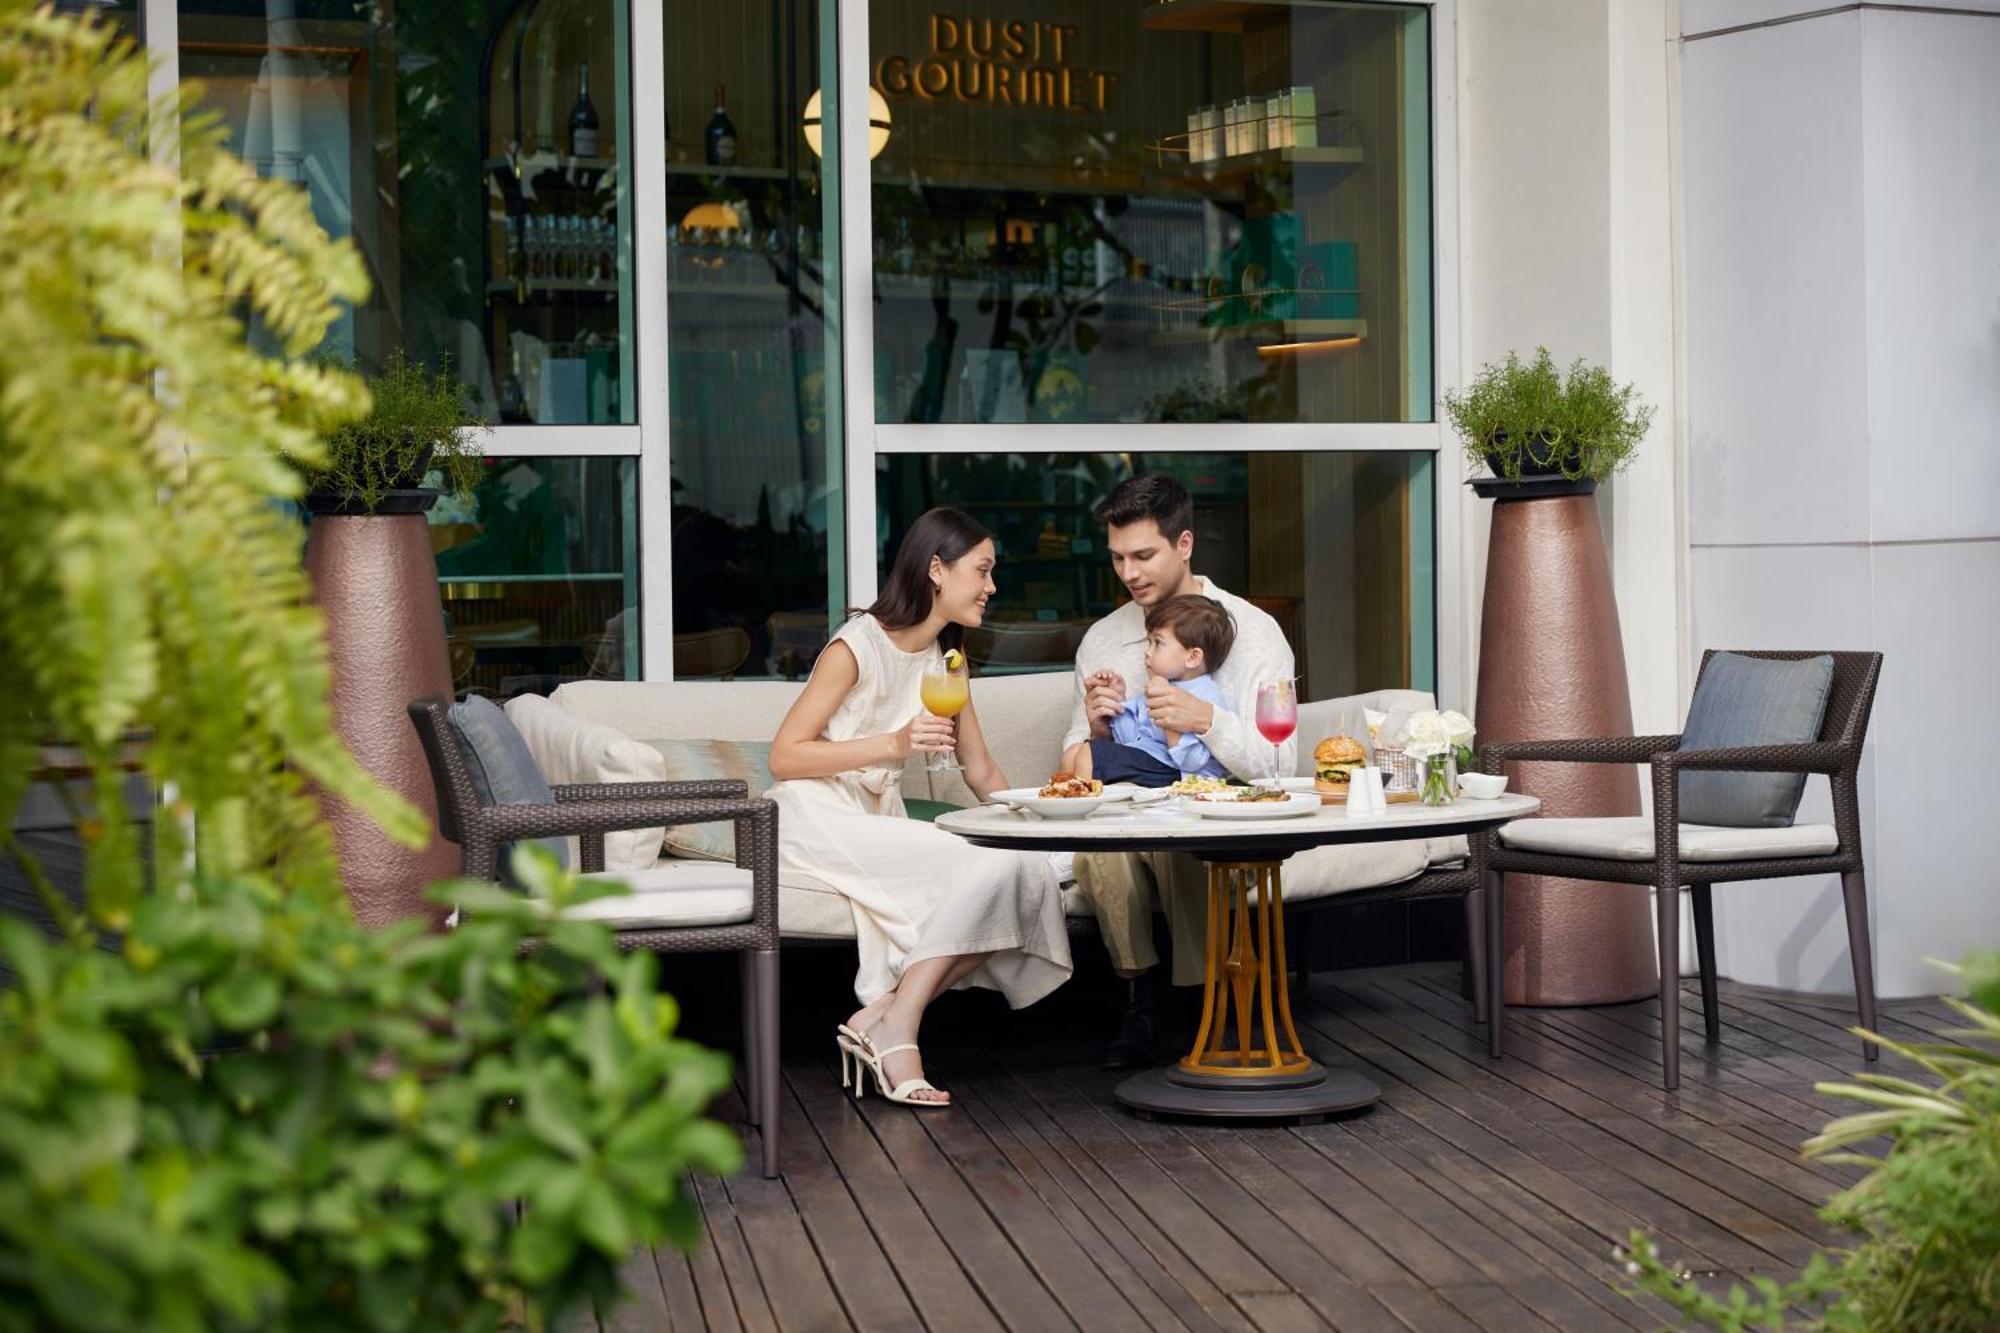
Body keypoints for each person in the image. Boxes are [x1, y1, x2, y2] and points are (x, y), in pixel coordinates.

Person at [768, 507, 1071, 1107]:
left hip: (876, 818)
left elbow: (980, 769)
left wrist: (1038, 823)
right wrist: (895, 744)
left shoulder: (947, 660)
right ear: (937, 569)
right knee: (999, 875)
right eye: (982, 571)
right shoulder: (857, 645)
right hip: (817, 813)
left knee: (1027, 870)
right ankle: (897, 1028)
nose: (992, 586)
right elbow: (784, 757)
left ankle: (887, 1014)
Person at [1062, 474, 1298, 1068]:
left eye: (1144, 555)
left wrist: (1205, 721)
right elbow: (1072, 769)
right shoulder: (1103, 642)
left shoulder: (1252, 633)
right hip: (1131, 816)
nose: (1129, 573)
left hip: (1222, 821)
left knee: (1176, 841)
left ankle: (1206, 1002)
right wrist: (1094, 729)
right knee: (1100, 848)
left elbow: (1280, 764)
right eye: (1117, 558)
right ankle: (1140, 1001)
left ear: (1184, 543)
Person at [1058, 594, 1235, 787]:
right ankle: (1065, 802)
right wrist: (1117, 703)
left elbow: (1193, 762)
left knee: (1089, 755)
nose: (1147, 651)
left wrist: (1170, 724)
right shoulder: (1159, 687)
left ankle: (1082, 808)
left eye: (1157, 643)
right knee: (1073, 753)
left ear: (1192, 657)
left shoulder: (1205, 696)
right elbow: (1128, 740)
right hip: (1151, 762)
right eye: (1149, 642)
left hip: (1180, 774)